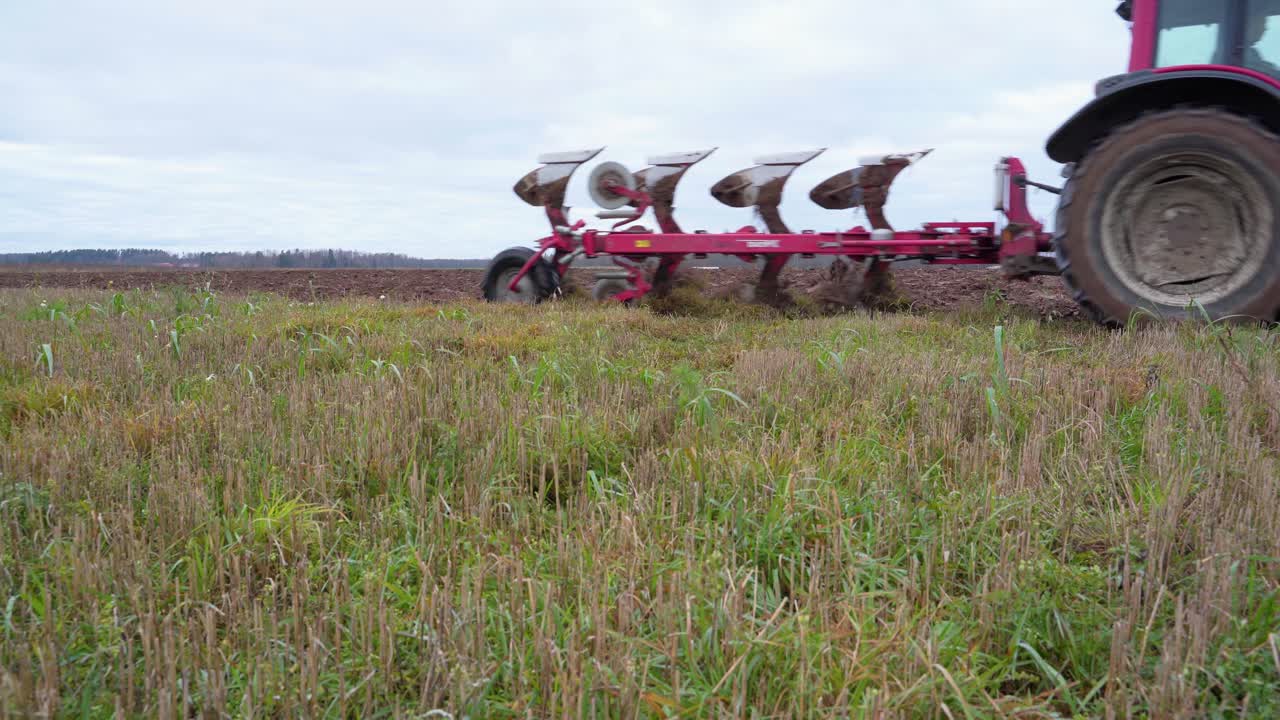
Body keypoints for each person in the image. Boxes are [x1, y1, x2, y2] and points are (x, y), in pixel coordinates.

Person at [1245, 11, 1280, 77]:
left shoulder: (1250, 53)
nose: (1265, 28)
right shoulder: (1240, 54)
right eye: (1262, 23)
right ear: (1249, 24)